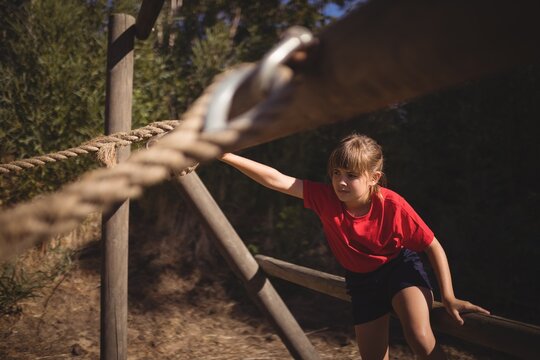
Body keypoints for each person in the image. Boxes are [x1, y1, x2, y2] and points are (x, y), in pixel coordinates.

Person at [219, 133, 489, 360]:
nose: (341, 181)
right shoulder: (325, 198)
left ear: (374, 177)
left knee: (419, 335)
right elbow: (276, 179)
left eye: (351, 174)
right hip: (362, 282)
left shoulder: (393, 205)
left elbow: (433, 246)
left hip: (400, 270)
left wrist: (449, 296)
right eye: (336, 173)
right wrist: (224, 155)